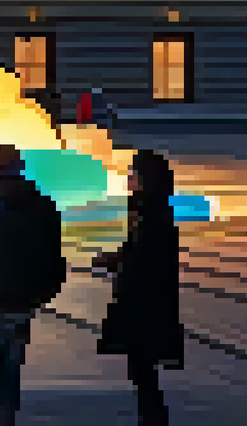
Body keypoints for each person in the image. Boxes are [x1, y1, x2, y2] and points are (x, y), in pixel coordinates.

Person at [0, 144, 67, 426]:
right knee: (10, 372)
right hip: (24, 304)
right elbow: (54, 259)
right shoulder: (45, 208)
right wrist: (41, 295)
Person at [93, 150, 183, 426]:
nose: (128, 179)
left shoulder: (151, 215)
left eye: (133, 174)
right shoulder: (149, 211)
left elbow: (145, 259)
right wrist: (118, 259)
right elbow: (138, 252)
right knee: (143, 374)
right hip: (146, 306)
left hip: (145, 308)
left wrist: (119, 262)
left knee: (143, 374)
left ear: (146, 179)